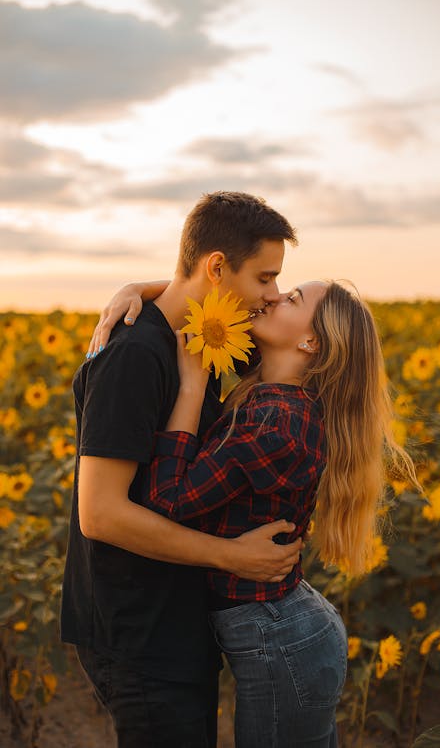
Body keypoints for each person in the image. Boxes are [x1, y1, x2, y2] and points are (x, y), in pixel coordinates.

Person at [128, 279, 418, 747]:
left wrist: (192, 383)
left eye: (293, 299)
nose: (275, 296)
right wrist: (136, 290)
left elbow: (169, 502)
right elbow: (206, 287)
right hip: (284, 629)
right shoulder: (266, 389)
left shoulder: (276, 422)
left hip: (283, 640)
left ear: (311, 342)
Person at [61, 191, 303, 748]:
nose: (270, 297)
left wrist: (143, 289)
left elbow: (192, 293)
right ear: (218, 267)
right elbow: (100, 514)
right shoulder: (135, 357)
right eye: (264, 279)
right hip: (138, 624)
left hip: (172, 612)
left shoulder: (206, 334)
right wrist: (233, 556)